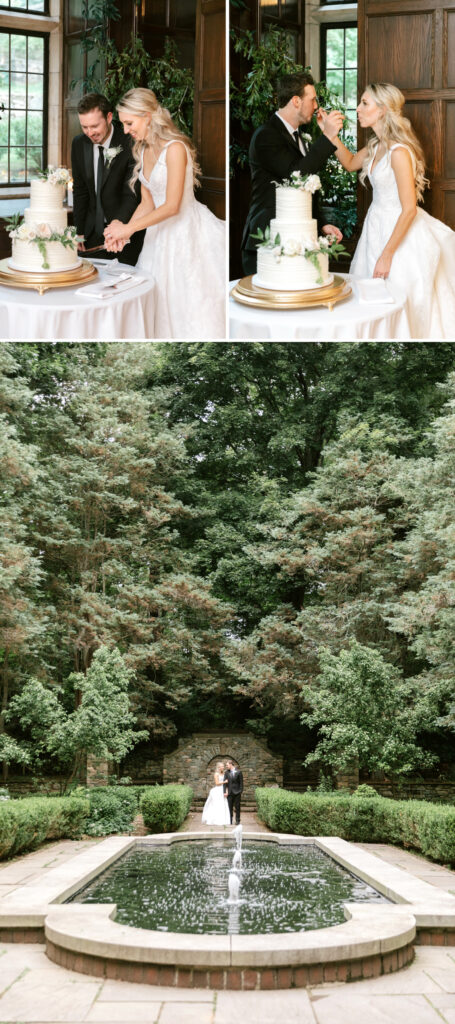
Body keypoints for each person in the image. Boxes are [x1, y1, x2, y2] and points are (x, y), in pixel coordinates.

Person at [332, 82, 455, 339]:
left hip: (400, 232)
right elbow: (350, 163)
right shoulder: (377, 145)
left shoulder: (399, 152)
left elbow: (409, 209)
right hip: (375, 225)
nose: (358, 108)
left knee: (400, 298)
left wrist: (387, 255)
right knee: (371, 299)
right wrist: (330, 136)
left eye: (365, 103)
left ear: (383, 110)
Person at [103, 88, 225, 340]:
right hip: (157, 239)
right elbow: (147, 204)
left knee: (188, 305)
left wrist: (128, 229)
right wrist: (122, 233)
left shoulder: (176, 149)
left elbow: (172, 206)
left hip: (187, 235)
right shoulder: (144, 150)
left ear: (147, 116)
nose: (125, 130)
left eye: (129, 123)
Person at [241, 71, 344, 276]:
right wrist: (328, 136)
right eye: (312, 99)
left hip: (296, 242)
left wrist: (321, 225)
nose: (316, 106)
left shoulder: (299, 137)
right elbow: (296, 175)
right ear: (296, 101)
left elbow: (303, 191)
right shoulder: (266, 135)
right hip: (267, 241)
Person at [71, 93, 144, 265]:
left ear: (109, 117)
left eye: (95, 126)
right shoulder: (79, 143)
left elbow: (131, 193)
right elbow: (80, 190)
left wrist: (118, 228)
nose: (90, 133)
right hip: (90, 235)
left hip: (124, 233)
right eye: (85, 127)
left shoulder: (130, 142)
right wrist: (79, 231)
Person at [201, 762, 231, 826]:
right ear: (219, 767)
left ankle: (223, 820)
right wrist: (224, 782)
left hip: (223, 790)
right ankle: (215, 820)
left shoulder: (224, 773)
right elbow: (217, 783)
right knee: (217, 805)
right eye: (222, 766)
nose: (223, 767)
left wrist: (226, 791)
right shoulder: (216, 774)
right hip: (217, 790)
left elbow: (227, 784)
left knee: (223, 805)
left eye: (223, 766)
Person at [223, 759, 243, 826]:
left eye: (227, 765)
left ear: (231, 764)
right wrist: (224, 792)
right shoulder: (226, 772)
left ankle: (237, 820)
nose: (226, 766)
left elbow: (241, 783)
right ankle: (230, 820)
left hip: (237, 793)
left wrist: (240, 791)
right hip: (230, 793)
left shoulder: (239, 772)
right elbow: (224, 783)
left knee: (237, 807)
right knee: (229, 807)